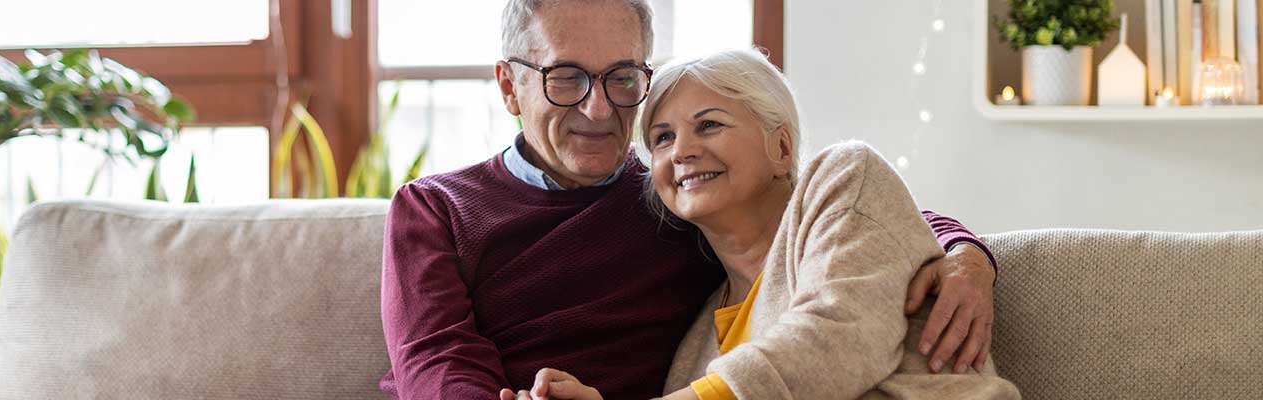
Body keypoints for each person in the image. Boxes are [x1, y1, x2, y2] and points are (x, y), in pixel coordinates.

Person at [381, 1, 999, 399]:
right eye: (565, 77)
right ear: (510, 86)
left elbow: (846, 211)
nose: (599, 109)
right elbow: (437, 360)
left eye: (622, 78)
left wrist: (964, 252)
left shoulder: (676, 200)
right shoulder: (436, 208)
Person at [508, 49, 1019, 400]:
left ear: (781, 147)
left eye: (708, 124)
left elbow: (836, 338)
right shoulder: (697, 343)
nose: (681, 150)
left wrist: (967, 251)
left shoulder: (844, 179)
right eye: (662, 138)